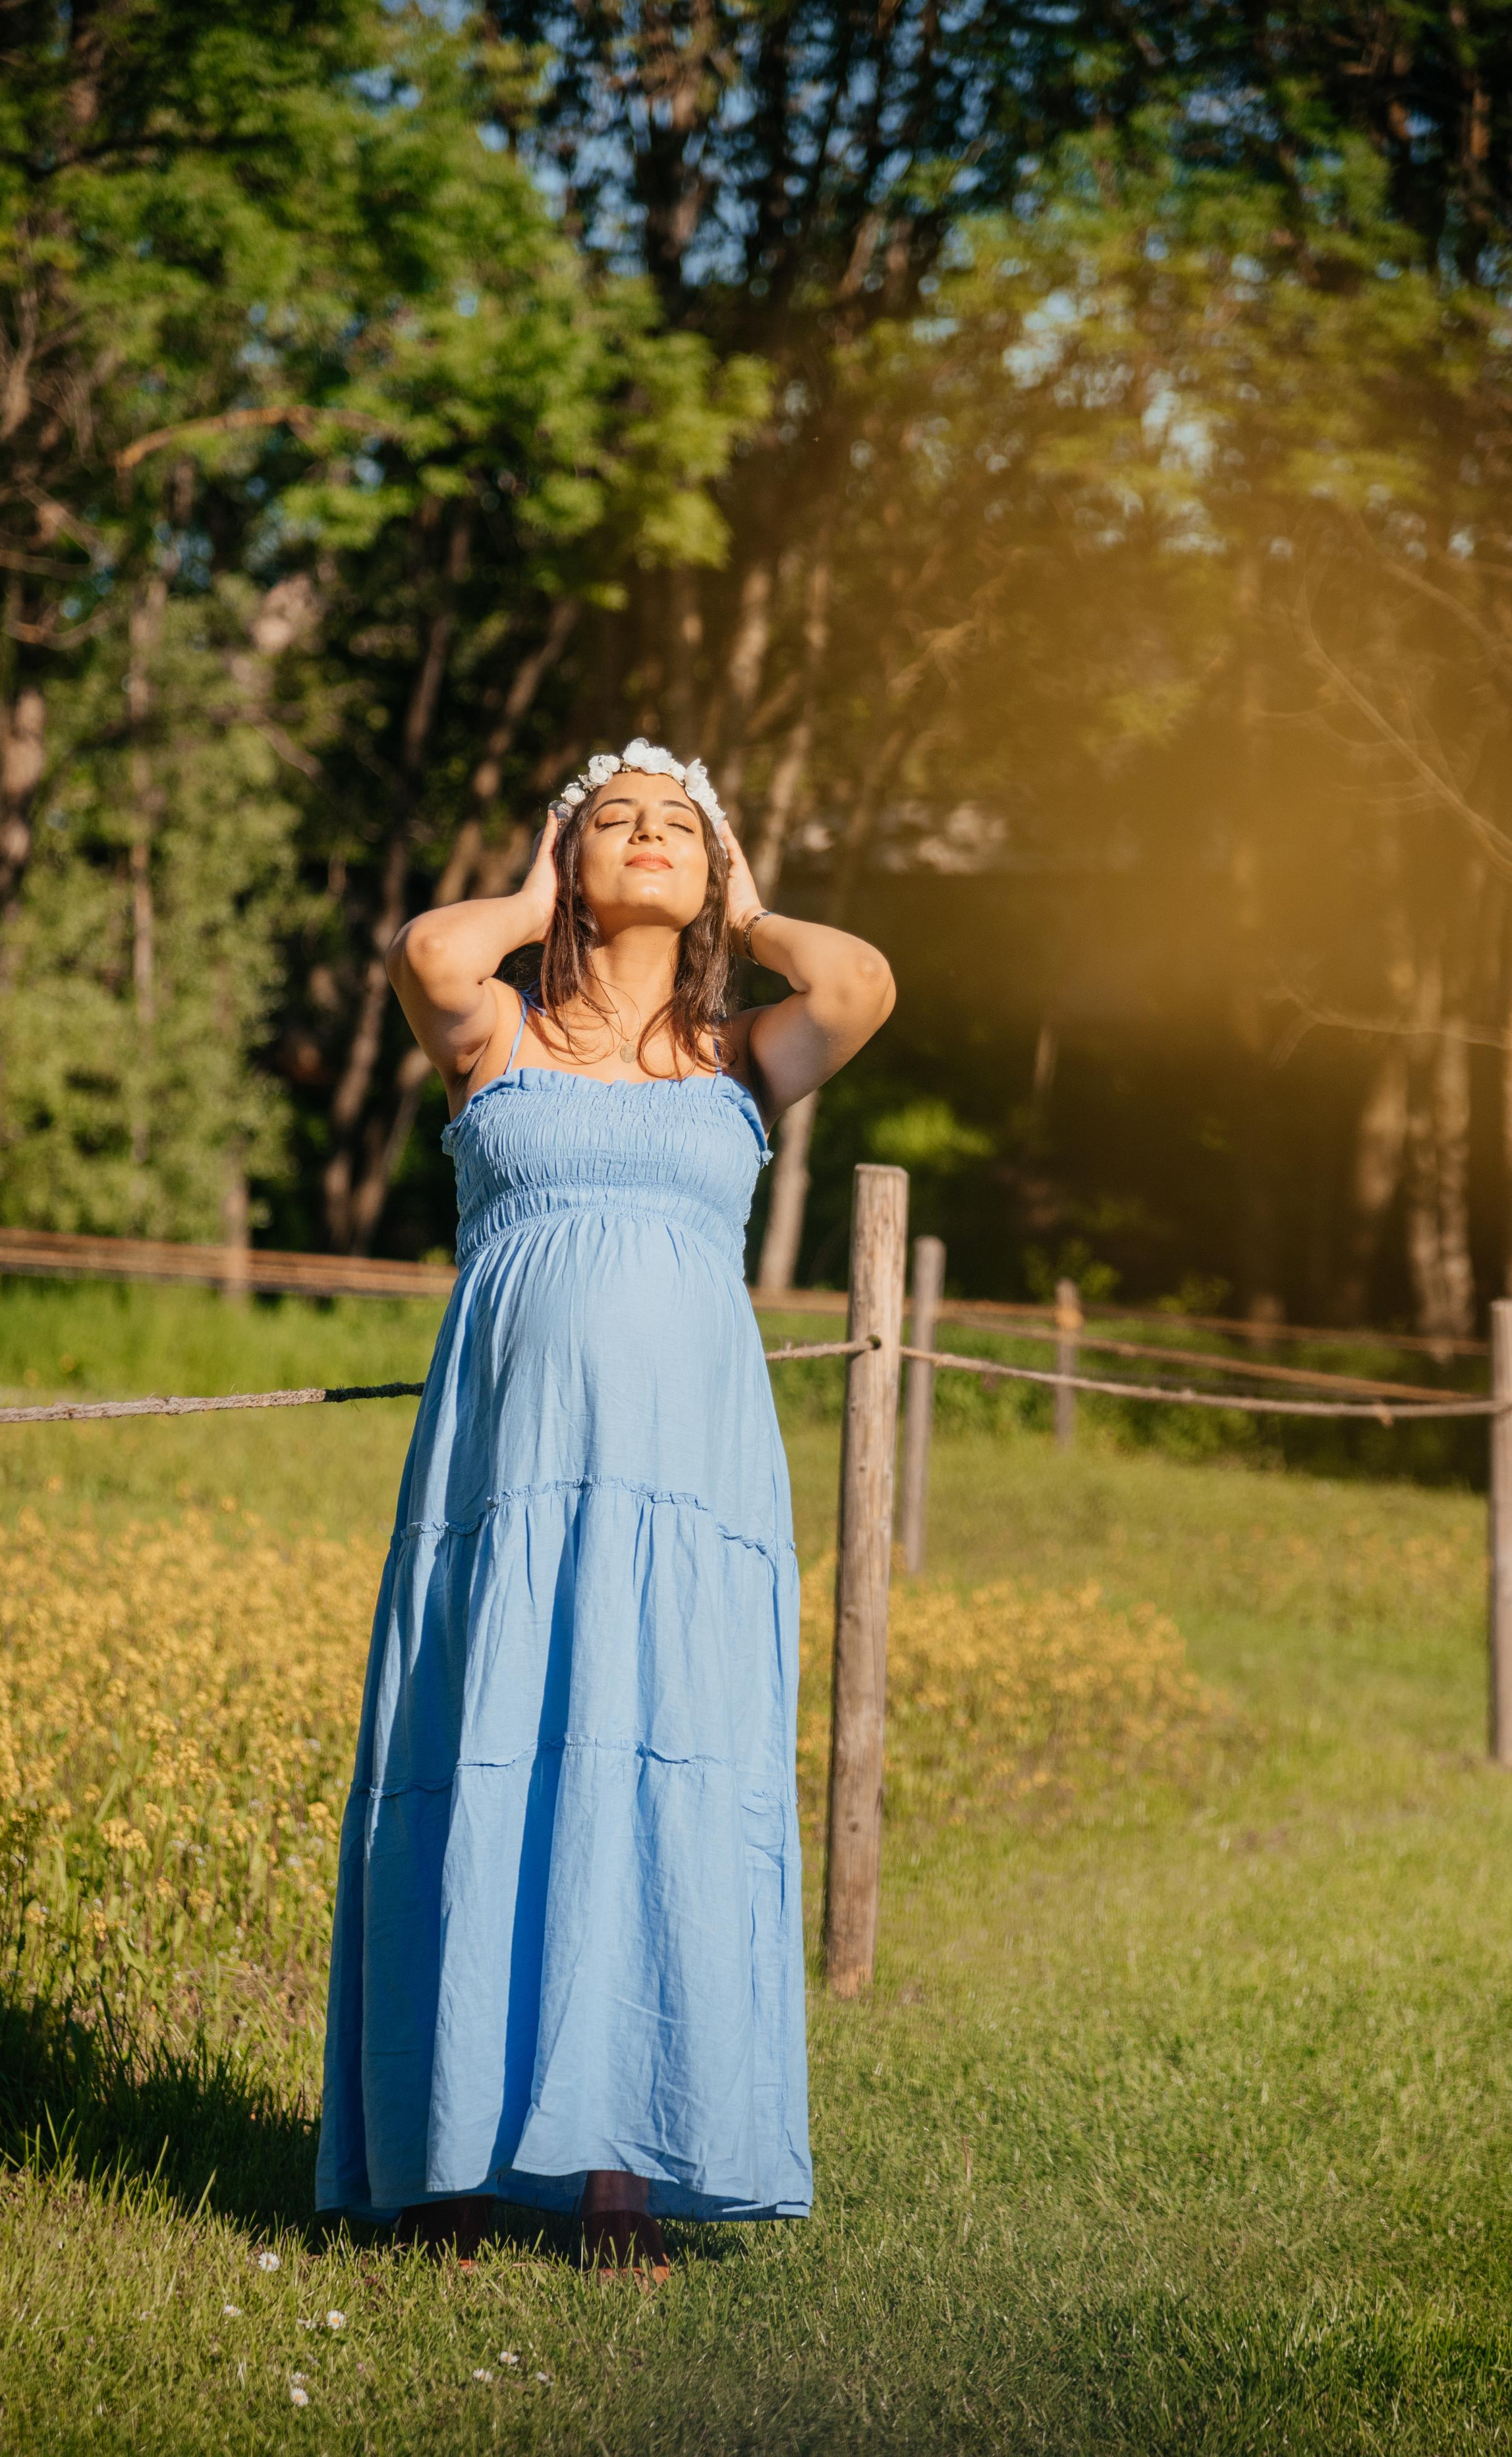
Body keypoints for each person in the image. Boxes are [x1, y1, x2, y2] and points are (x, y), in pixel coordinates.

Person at [316, 737, 895, 2277]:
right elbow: (429, 949)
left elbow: (859, 985)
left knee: (656, 1781)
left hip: (685, 1500)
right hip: (504, 1491)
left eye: (677, 829)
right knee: (479, 1758)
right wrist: (524, 885)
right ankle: (442, 2162)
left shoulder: (737, 1056)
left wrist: (756, 912)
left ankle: (619, 2177)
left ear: (710, 875)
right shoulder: (493, 1031)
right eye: (612, 823)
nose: (645, 838)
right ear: (568, 862)